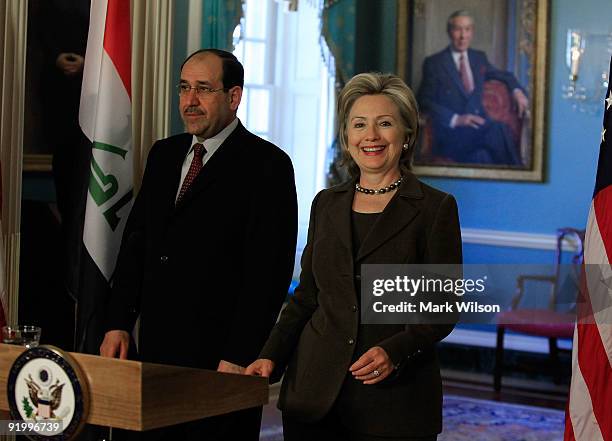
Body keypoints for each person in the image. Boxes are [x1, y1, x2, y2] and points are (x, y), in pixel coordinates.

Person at [246, 73, 463, 441]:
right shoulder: (325, 204)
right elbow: (306, 297)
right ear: (347, 137)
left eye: (385, 123)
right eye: (359, 124)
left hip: (394, 402)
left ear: (406, 134)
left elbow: (441, 308)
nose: (371, 136)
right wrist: (271, 355)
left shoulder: (435, 208)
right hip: (313, 396)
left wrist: (395, 351)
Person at [100, 49, 298, 440]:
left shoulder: (268, 165)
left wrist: (240, 354)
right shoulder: (164, 154)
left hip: (221, 361)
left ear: (234, 96)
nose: (189, 101)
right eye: (184, 88)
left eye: (203, 89)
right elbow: (136, 244)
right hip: (151, 351)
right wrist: (118, 322)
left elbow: (268, 272)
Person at [418, 10, 529, 165]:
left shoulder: (478, 58)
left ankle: (515, 177)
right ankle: (520, 176)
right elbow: (424, 101)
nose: (463, 36)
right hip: (452, 135)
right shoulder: (434, 63)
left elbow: (504, 76)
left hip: (478, 131)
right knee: (498, 130)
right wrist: (457, 119)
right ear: (449, 32)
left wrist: (517, 91)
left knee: (482, 157)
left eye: (467, 29)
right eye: (458, 29)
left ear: (472, 32)